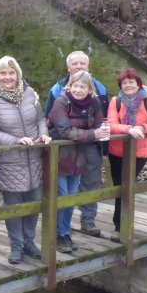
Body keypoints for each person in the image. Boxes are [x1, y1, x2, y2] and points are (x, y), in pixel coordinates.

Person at [0, 56, 51, 264]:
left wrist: (44, 134)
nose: (7, 77)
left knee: (33, 202)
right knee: (12, 206)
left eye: (11, 73)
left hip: (34, 159)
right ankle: (16, 245)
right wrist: (16, 140)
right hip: (9, 161)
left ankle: (29, 242)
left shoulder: (30, 93)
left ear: (17, 74)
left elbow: (40, 118)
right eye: (2, 73)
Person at [44, 51, 109, 237]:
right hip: (65, 147)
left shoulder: (100, 89)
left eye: (83, 63)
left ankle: (88, 221)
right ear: (68, 68)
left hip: (90, 147)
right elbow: (51, 120)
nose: (79, 66)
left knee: (90, 184)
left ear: (88, 67)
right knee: (64, 192)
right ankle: (61, 229)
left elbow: (102, 119)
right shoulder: (57, 91)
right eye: (75, 63)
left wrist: (100, 138)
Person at [107, 68, 147, 242]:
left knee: (128, 186)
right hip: (117, 150)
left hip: (139, 151)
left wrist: (142, 128)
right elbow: (112, 124)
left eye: (131, 82)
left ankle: (124, 224)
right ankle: (119, 222)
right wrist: (129, 129)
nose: (128, 86)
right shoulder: (116, 101)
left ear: (138, 84)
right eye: (124, 83)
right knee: (119, 186)